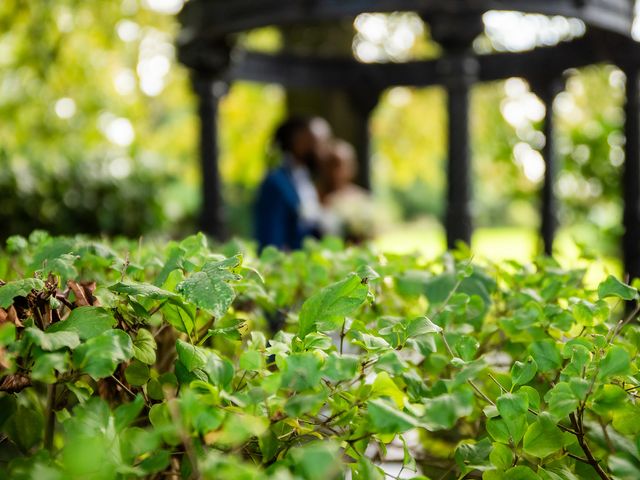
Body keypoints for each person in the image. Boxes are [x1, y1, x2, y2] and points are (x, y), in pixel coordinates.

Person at [254, 116, 332, 251]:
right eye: (318, 143)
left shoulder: (306, 178)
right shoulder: (276, 182)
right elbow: (271, 237)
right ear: (298, 142)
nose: (323, 151)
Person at [317, 139, 377, 243]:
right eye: (331, 165)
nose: (335, 172)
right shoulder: (312, 196)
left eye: (340, 165)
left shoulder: (361, 199)